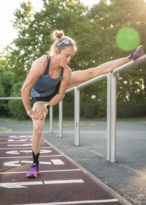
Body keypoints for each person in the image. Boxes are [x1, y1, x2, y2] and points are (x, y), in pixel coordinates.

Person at [21, 29, 144, 178]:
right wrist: (29, 110)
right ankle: (35, 165)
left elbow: (61, 93)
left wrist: (48, 106)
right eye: (66, 55)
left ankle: (130, 57)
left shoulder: (65, 71)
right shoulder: (41, 63)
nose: (68, 59)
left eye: (71, 57)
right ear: (56, 51)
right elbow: (25, 89)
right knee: (37, 127)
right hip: (39, 97)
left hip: (57, 89)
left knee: (91, 72)